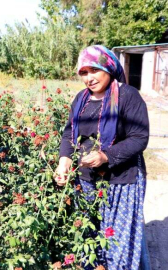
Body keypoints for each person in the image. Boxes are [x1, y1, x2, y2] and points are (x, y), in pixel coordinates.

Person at [55, 45, 151, 269]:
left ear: (107, 66)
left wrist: (105, 156)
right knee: (89, 236)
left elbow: (139, 138)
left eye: (94, 70)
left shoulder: (128, 96)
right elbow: (70, 132)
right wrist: (65, 160)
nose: (89, 78)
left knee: (118, 239)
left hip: (121, 181)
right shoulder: (81, 99)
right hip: (87, 180)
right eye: (84, 73)